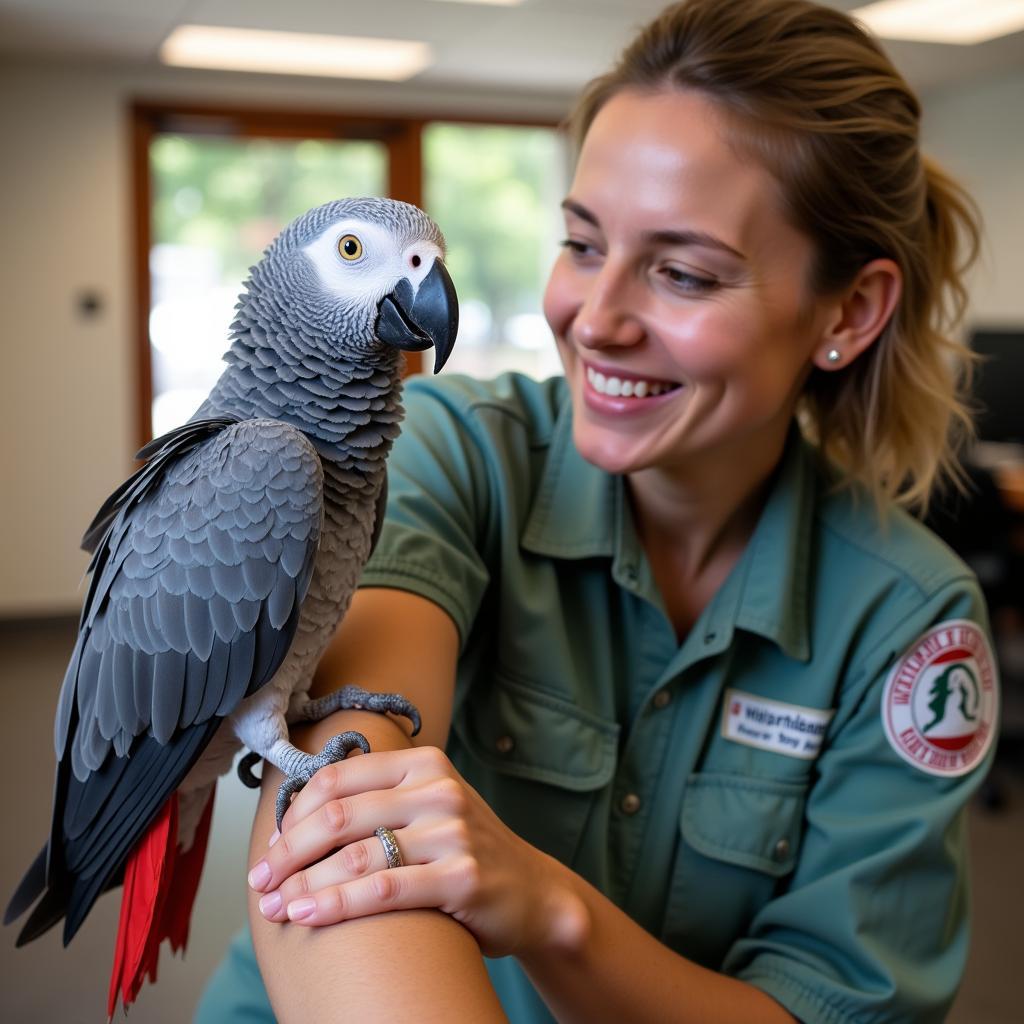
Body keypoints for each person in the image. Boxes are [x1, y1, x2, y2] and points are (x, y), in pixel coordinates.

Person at [196, 1, 997, 1021]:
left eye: (681, 272)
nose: (595, 319)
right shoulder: (445, 450)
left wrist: (552, 912)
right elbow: (336, 832)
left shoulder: (906, 620)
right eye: (581, 244)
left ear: (846, 312)